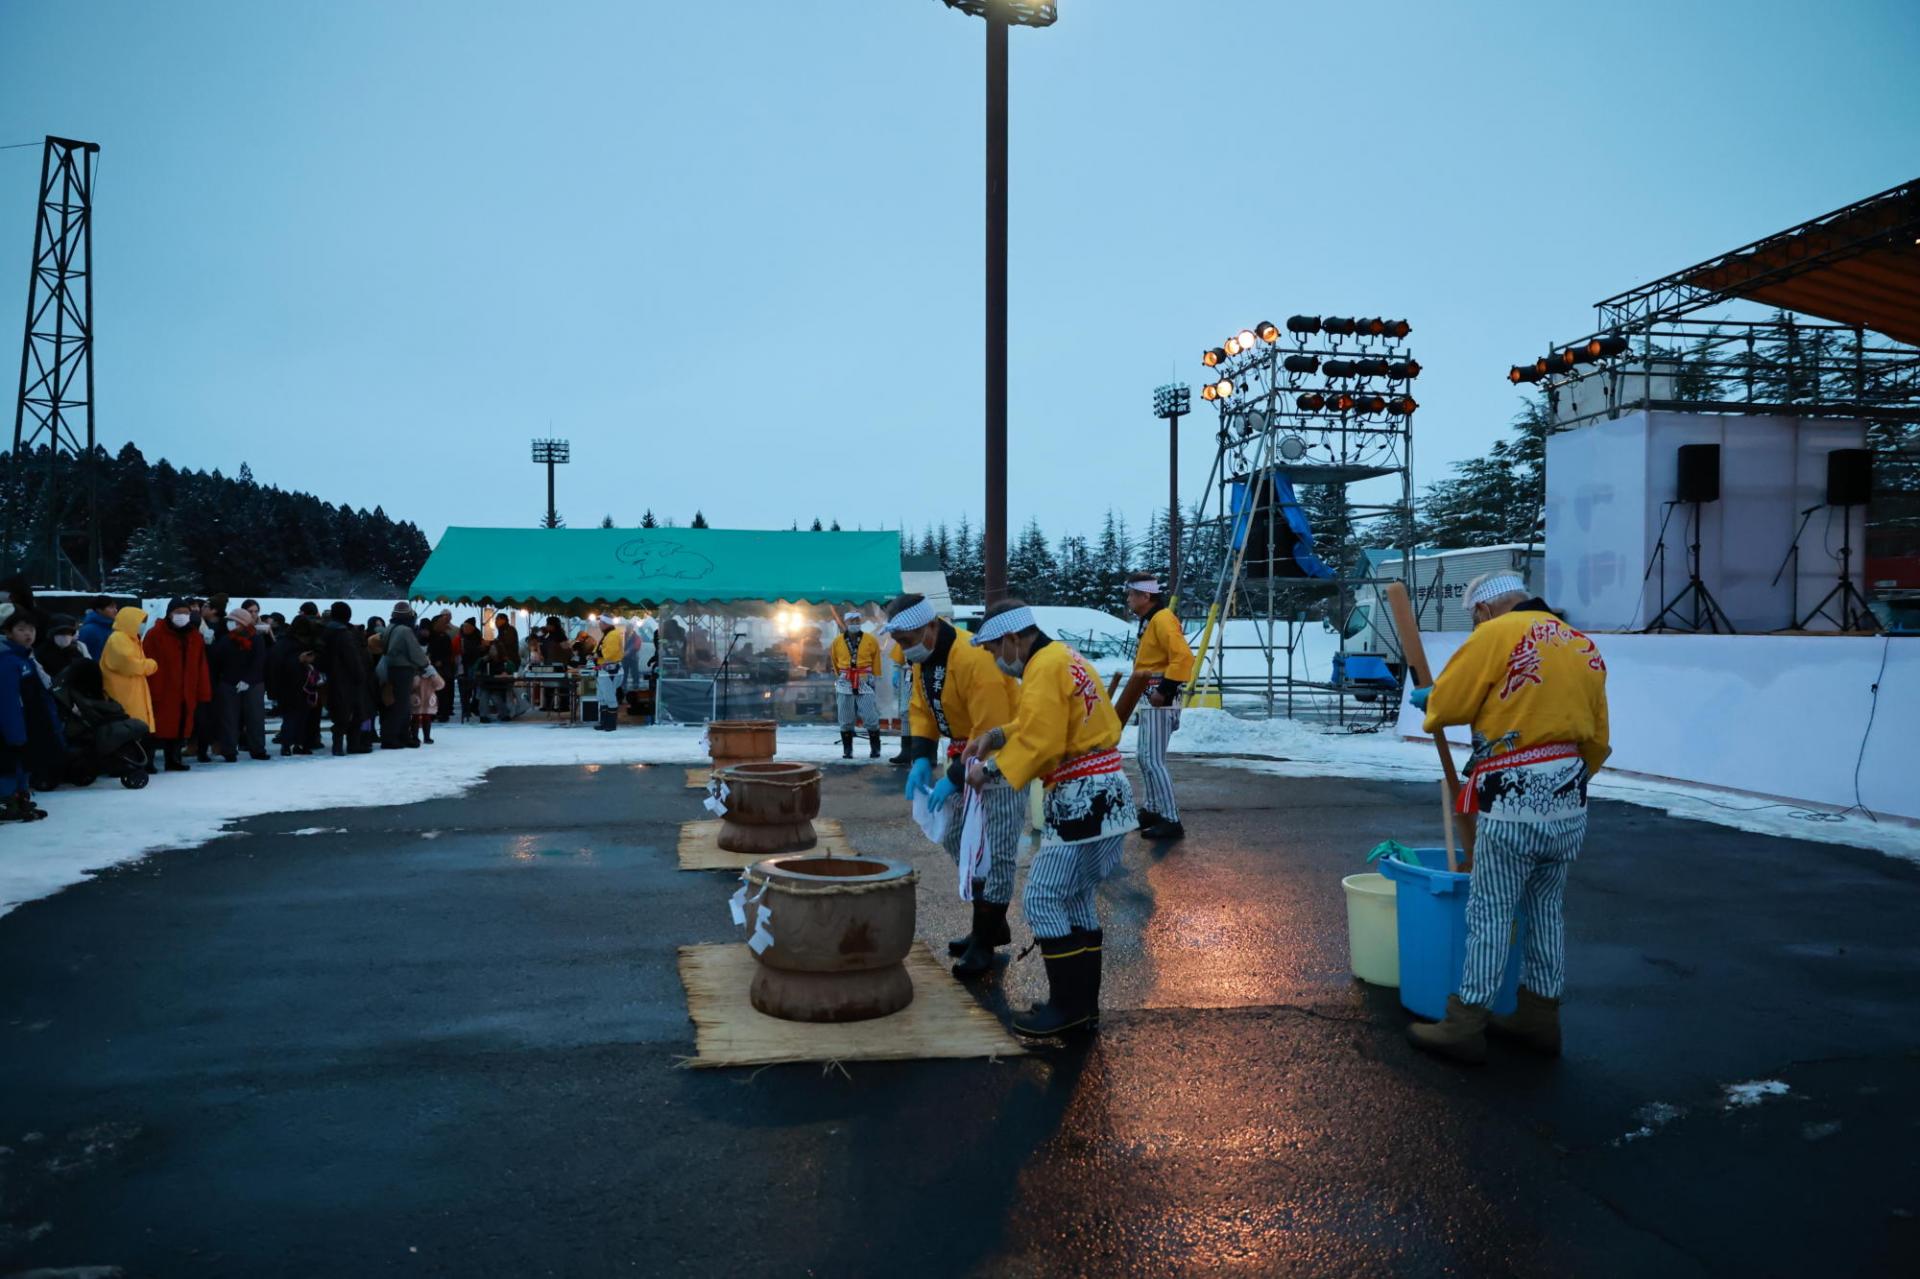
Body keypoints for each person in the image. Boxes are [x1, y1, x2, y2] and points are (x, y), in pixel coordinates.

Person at [1407, 572, 1611, 1064]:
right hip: (1570, 794)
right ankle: (1540, 1019)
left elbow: (1448, 705)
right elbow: (1598, 739)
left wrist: (1431, 701)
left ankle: (1465, 1022)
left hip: (1513, 795)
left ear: (1482, 610)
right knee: (1545, 909)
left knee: (1491, 911)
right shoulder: (1581, 643)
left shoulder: (1494, 635)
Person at [963, 599, 1137, 1036]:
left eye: (992, 650)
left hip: (1082, 798)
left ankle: (1065, 1008)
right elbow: (1040, 722)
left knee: (1042, 899)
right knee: (1075, 897)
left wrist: (989, 770)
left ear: (1011, 639)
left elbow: (1041, 740)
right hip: (1106, 793)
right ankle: (1081, 1009)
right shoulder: (1062, 656)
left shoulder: (1043, 666)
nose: (993, 659)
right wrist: (997, 735)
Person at [884, 593, 1025, 980]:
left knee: (994, 850)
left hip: (998, 758)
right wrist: (921, 760)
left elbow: (991, 727)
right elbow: (920, 710)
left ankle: (985, 938)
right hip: (961, 755)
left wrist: (952, 778)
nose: (903, 648)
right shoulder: (924, 659)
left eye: (907, 639)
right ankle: (991, 925)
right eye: (898, 642)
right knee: (960, 839)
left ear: (931, 626)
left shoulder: (974, 657)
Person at [1123, 572, 1197, 841]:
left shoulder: (1163, 619)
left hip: (1159, 695)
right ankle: (1153, 809)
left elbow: (1183, 657)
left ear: (1146, 596)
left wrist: (1165, 689)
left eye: (1132, 594)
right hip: (1150, 694)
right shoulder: (1151, 620)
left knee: (1153, 760)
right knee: (1145, 757)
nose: (1129, 599)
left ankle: (1171, 818)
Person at [0, 603, 62, 821]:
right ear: (8, 632)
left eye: (31, 629)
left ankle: (19, 797)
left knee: (25, 762)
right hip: (14, 727)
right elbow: (8, 700)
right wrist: (15, 731)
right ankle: (6, 800)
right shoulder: (8, 661)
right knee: (10, 763)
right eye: (21, 629)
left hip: (29, 723)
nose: (28, 634)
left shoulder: (24, 657)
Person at [144, 599, 212, 773]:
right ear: (169, 614)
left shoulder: (195, 636)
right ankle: (148, 760)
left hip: (186, 689)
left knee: (181, 725)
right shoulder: (155, 634)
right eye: (178, 613)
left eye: (186, 613)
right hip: (162, 688)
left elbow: (201, 664)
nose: (182, 617)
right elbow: (147, 662)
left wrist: (202, 691)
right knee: (156, 726)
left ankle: (173, 759)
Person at [211, 607, 270, 762]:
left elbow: (259, 662)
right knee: (229, 718)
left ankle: (258, 749)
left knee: (255, 717)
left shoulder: (256, 639)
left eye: (234, 621)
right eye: (229, 621)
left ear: (243, 623)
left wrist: (248, 680)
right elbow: (216, 662)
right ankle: (229, 750)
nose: (230, 624)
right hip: (229, 683)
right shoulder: (225, 640)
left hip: (253, 683)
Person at [100, 606, 158, 745]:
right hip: (123, 696)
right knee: (129, 733)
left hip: (132, 694)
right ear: (130, 621)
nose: (143, 625)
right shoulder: (118, 639)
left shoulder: (131, 640)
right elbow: (130, 665)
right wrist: (151, 664)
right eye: (141, 621)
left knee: (136, 732)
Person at [321, 602, 374, 755]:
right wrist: (361, 676)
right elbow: (352, 658)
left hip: (333, 677)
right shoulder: (343, 633)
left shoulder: (327, 631)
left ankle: (337, 745)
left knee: (340, 713)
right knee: (357, 713)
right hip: (349, 679)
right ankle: (353, 744)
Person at [830, 610, 882, 759]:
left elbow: (876, 659)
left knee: (869, 715)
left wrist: (875, 676)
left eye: (857, 621)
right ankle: (848, 750)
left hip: (864, 677)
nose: (854, 624)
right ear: (846, 623)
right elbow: (834, 661)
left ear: (861, 622)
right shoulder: (837, 641)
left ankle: (875, 748)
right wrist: (839, 674)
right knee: (845, 716)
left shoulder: (870, 640)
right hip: (845, 677)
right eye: (851, 621)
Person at [380, 603, 429, 748]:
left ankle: (398, 736)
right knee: (401, 705)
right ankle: (394, 737)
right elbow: (415, 651)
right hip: (402, 670)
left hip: (390, 669)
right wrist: (424, 664)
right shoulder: (405, 631)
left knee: (392, 703)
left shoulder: (390, 628)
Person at [593, 619, 625, 731]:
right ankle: (604, 722)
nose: (599, 625)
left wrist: (596, 655)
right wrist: (594, 655)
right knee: (602, 697)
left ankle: (610, 724)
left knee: (609, 697)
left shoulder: (613, 635)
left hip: (610, 672)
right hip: (603, 671)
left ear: (606, 624)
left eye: (601, 623)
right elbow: (599, 649)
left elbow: (610, 653)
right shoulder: (607, 635)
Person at [427, 612, 456, 723]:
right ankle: (433, 712)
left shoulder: (446, 637)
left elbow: (448, 653)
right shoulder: (431, 636)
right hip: (432, 667)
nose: (445, 625)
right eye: (442, 623)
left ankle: (443, 713)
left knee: (443, 692)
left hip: (444, 668)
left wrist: (443, 662)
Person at [38, 614, 85, 680]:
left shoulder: (77, 651)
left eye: (69, 633)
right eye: (60, 632)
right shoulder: (41, 653)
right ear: (51, 634)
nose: (65, 636)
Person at [456, 617, 484, 722]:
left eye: (467, 627)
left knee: (476, 688)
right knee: (464, 690)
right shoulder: (460, 637)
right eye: (464, 627)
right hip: (463, 666)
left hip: (474, 665)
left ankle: (473, 707)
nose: (465, 629)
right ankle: (466, 710)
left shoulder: (477, 637)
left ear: (472, 628)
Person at [411, 661, 446, 744]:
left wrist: (434, 675)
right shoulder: (415, 673)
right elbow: (411, 686)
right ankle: (414, 737)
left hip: (428, 698)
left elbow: (441, 685)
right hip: (417, 698)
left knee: (427, 717)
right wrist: (416, 676)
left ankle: (427, 737)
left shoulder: (431, 674)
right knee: (415, 717)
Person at [75, 594, 118, 660]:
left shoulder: (114, 627)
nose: (115, 610)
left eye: (115, 607)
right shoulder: (88, 630)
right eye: (111, 607)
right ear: (99, 610)